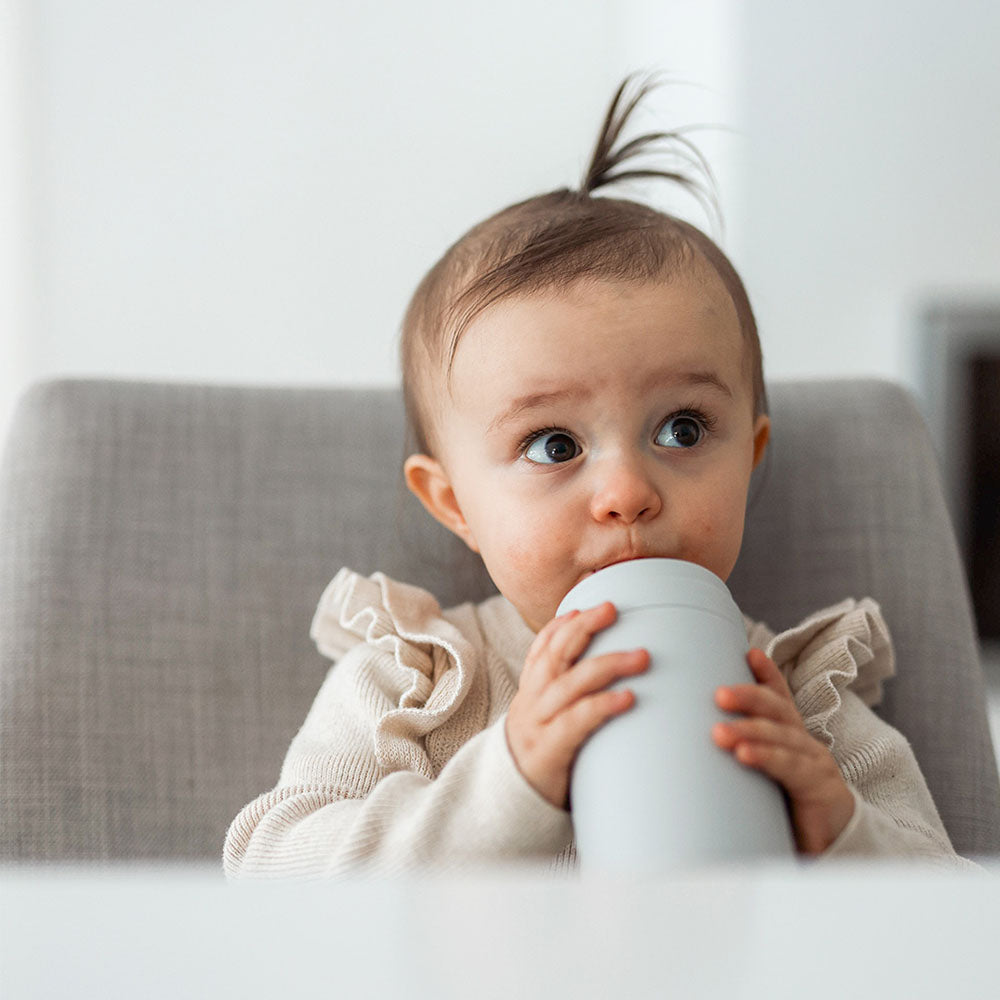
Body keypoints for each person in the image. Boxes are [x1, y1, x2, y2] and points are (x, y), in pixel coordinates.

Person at [224, 73, 973, 877]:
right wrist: (508, 780)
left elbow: (960, 923)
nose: (626, 494)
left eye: (682, 429)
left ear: (750, 459)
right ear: (454, 504)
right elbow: (269, 868)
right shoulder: (419, 685)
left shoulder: (798, 703)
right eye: (553, 444)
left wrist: (843, 830)